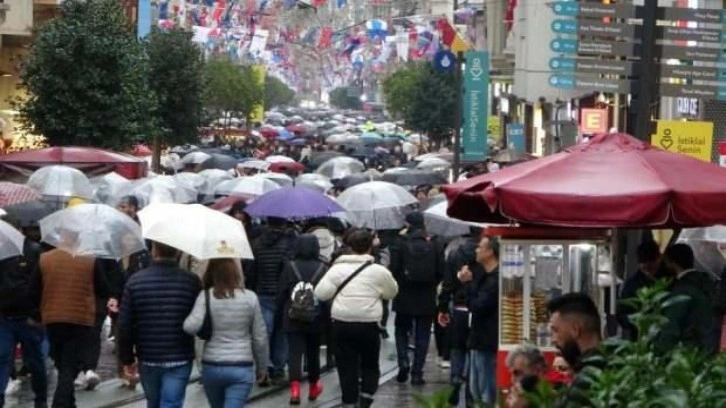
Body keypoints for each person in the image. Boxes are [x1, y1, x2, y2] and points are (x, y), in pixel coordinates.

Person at [315, 229, 398, 408]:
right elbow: (392, 292)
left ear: (349, 247)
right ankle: (367, 395)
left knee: (346, 365)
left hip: (342, 323)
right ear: (370, 247)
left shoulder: (336, 269)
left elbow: (321, 293)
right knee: (369, 362)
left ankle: (349, 401)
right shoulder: (379, 271)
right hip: (369, 324)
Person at [33, 230, 111, 408]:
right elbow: (104, 289)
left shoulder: (45, 259)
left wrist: (37, 315)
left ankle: (70, 403)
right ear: (78, 240)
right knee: (69, 365)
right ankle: (60, 403)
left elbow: (33, 291)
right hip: (79, 319)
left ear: (61, 239)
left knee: (61, 361)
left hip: (52, 319)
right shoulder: (89, 260)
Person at [118, 242, 201, 408]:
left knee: (153, 402)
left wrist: (127, 358)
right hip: (180, 354)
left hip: (148, 355)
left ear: (154, 251)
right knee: (171, 402)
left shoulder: (135, 281)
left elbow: (125, 324)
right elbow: (199, 318)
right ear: (177, 252)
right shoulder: (191, 281)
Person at [184, 259, 268, 408]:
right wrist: (262, 367)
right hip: (241, 367)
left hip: (212, 367)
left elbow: (190, 327)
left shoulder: (206, 296)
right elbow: (260, 338)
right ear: (236, 273)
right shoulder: (250, 298)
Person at [390, 212, 443, 385]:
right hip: (426, 295)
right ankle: (417, 372)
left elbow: (393, 269)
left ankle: (403, 360)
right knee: (423, 334)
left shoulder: (400, 243)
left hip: (404, 294)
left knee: (401, 330)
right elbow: (440, 271)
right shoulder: (435, 243)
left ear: (408, 224)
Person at [276, 234, 327, 404]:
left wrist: (280, 314)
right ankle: (313, 387)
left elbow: (282, 293)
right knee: (313, 353)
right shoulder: (322, 267)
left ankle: (295, 389)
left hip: (292, 316)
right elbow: (326, 296)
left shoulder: (290, 266)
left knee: (294, 353)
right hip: (315, 316)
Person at [0, 233, 47, 408]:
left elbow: (40, 284)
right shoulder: (3, 252)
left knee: (34, 360)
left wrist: (36, 314)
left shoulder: (33, 251)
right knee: (3, 358)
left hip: (28, 317)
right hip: (6, 316)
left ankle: (40, 399)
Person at [437, 227, 482, 406]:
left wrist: (442, 307)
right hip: (479, 308)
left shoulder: (455, 253)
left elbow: (447, 283)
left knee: (457, 347)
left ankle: (455, 381)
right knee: (474, 350)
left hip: (459, 306)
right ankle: (471, 392)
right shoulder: (489, 254)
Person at [250, 218, 296, 383]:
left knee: (264, 332)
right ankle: (278, 367)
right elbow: (290, 269)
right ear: (283, 224)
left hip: (262, 293)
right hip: (282, 294)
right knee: (282, 332)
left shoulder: (256, 244)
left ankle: (264, 365)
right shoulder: (289, 244)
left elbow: (252, 271)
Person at [457, 236, 500, 405]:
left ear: (490, 252)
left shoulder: (495, 280)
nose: (476, 250)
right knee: (475, 389)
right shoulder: (485, 276)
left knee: (485, 390)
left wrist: (467, 284)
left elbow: (478, 305)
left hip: (487, 341)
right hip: (477, 339)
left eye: (480, 247)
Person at [657, 243, 718, 354]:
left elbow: (671, 327)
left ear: (672, 263)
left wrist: (659, 353)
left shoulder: (681, 291)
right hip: (711, 348)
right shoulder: (709, 284)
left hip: (689, 351)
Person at [547, 293, 603, 407]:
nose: (553, 340)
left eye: (556, 330)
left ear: (575, 329)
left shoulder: (587, 379)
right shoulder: (616, 363)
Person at [617, 241, 660, 341]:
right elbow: (621, 316)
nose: (648, 267)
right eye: (644, 263)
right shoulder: (631, 285)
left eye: (651, 262)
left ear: (658, 259)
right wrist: (638, 320)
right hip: (640, 339)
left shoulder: (666, 280)